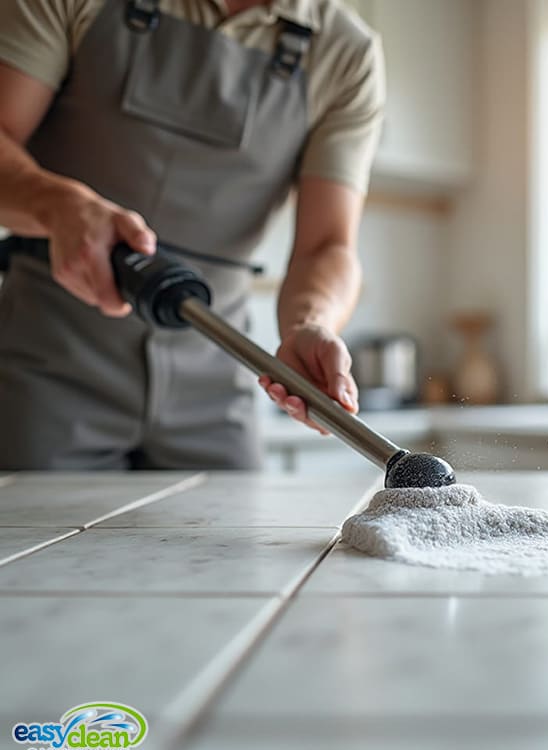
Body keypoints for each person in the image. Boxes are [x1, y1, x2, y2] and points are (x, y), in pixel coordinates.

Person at [0, 0, 384, 469]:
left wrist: (310, 322)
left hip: (219, 386)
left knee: (231, 544)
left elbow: (328, 246)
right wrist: (58, 205)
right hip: (48, 369)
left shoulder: (347, 53)